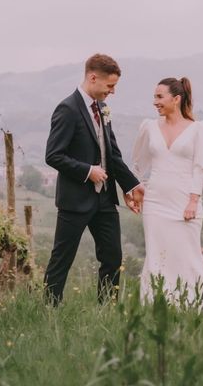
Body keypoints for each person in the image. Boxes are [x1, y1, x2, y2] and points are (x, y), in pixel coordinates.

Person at [44, 53, 144, 305]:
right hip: (75, 200)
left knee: (113, 257)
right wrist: (88, 171)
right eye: (110, 86)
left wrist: (132, 184)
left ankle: (107, 309)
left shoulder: (103, 109)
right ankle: (49, 311)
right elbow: (53, 155)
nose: (112, 92)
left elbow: (112, 154)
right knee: (62, 259)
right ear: (92, 77)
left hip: (104, 200)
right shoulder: (67, 109)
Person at [132, 77, 203, 313]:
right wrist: (136, 187)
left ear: (176, 99)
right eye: (155, 97)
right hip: (155, 203)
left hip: (184, 202)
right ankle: (156, 308)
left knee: (187, 255)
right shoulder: (149, 127)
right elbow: (138, 163)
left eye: (160, 97)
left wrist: (193, 201)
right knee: (156, 256)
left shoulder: (199, 130)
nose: (155, 102)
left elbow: (199, 168)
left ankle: (199, 307)